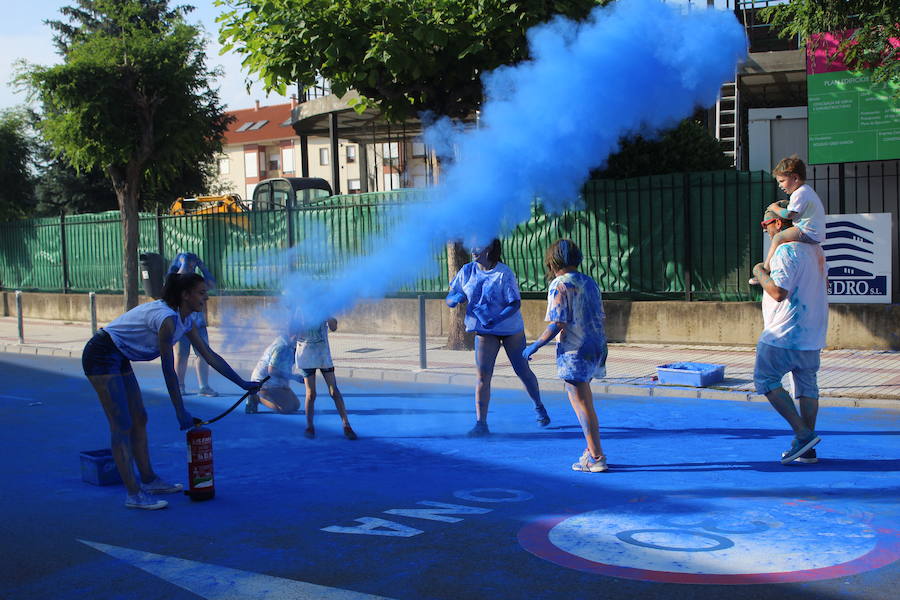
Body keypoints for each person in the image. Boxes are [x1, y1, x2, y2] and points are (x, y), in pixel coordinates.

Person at [81, 273, 262, 509]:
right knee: (121, 423)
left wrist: (243, 383)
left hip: (120, 355)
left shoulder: (186, 319)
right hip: (101, 354)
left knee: (140, 418)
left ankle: (148, 480)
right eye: (201, 292)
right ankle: (133, 495)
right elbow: (168, 370)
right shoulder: (167, 319)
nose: (205, 298)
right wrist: (180, 412)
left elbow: (208, 355)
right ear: (185, 295)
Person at [446, 239, 550, 437]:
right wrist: (454, 300)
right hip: (484, 331)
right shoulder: (467, 271)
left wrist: (496, 319)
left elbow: (515, 304)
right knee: (483, 376)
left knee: (522, 370)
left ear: (490, 247)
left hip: (510, 329)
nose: (473, 249)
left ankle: (538, 406)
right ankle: (481, 424)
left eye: (478, 245)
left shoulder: (504, 273)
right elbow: (450, 296)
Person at [522, 239, 609, 473]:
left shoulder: (559, 285)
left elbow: (558, 322)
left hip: (574, 350)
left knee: (581, 405)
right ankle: (591, 451)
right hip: (595, 346)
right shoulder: (589, 282)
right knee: (586, 402)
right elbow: (599, 316)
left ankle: (596, 456)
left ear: (552, 260)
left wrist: (535, 346)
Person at [751, 201, 828, 464]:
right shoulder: (816, 250)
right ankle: (807, 450)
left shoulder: (785, 252)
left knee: (766, 380)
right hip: (811, 333)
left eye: (766, 224)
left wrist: (759, 271)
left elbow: (778, 292)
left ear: (779, 223)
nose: (765, 230)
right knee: (807, 386)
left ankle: (803, 434)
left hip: (783, 332)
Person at [750, 155, 825, 285]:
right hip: (815, 234)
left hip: (807, 231)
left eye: (782, 181)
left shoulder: (799, 193)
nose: (779, 185)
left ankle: (766, 269)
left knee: (778, 238)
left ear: (795, 178)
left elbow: (788, 214)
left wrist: (774, 208)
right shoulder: (807, 191)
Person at [295, 316, 357, 440]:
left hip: (323, 355)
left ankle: (346, 424)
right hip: (305, 355)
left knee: (333, 390)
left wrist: (327, 316)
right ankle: (309, 426)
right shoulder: (299, 310)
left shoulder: (323, 307)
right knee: (311, 394)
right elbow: (293, 333)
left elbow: (333, 327)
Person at [168, 252, 218, 397]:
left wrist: (202, 266)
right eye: (189, 264)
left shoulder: (197, 281)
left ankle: (204, 386)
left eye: (192, 264)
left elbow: (212, 284)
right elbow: (178, 277)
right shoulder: (174, 278)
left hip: (198, 324)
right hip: (181, 323)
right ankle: (180, 386)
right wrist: (182, 262)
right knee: (181, 354)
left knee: (203, 354)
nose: (191, 266)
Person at [245, 332, 304, 414]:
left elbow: (286, 367)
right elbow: (272, 371)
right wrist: (294, 377)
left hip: (276, 382)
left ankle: (266, 394)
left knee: (295, 405)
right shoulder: (281, 347)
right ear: (293, 335)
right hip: (264, 382)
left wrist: (285, 386)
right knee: (285, 409)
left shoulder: (290, 346)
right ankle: (256, 397)